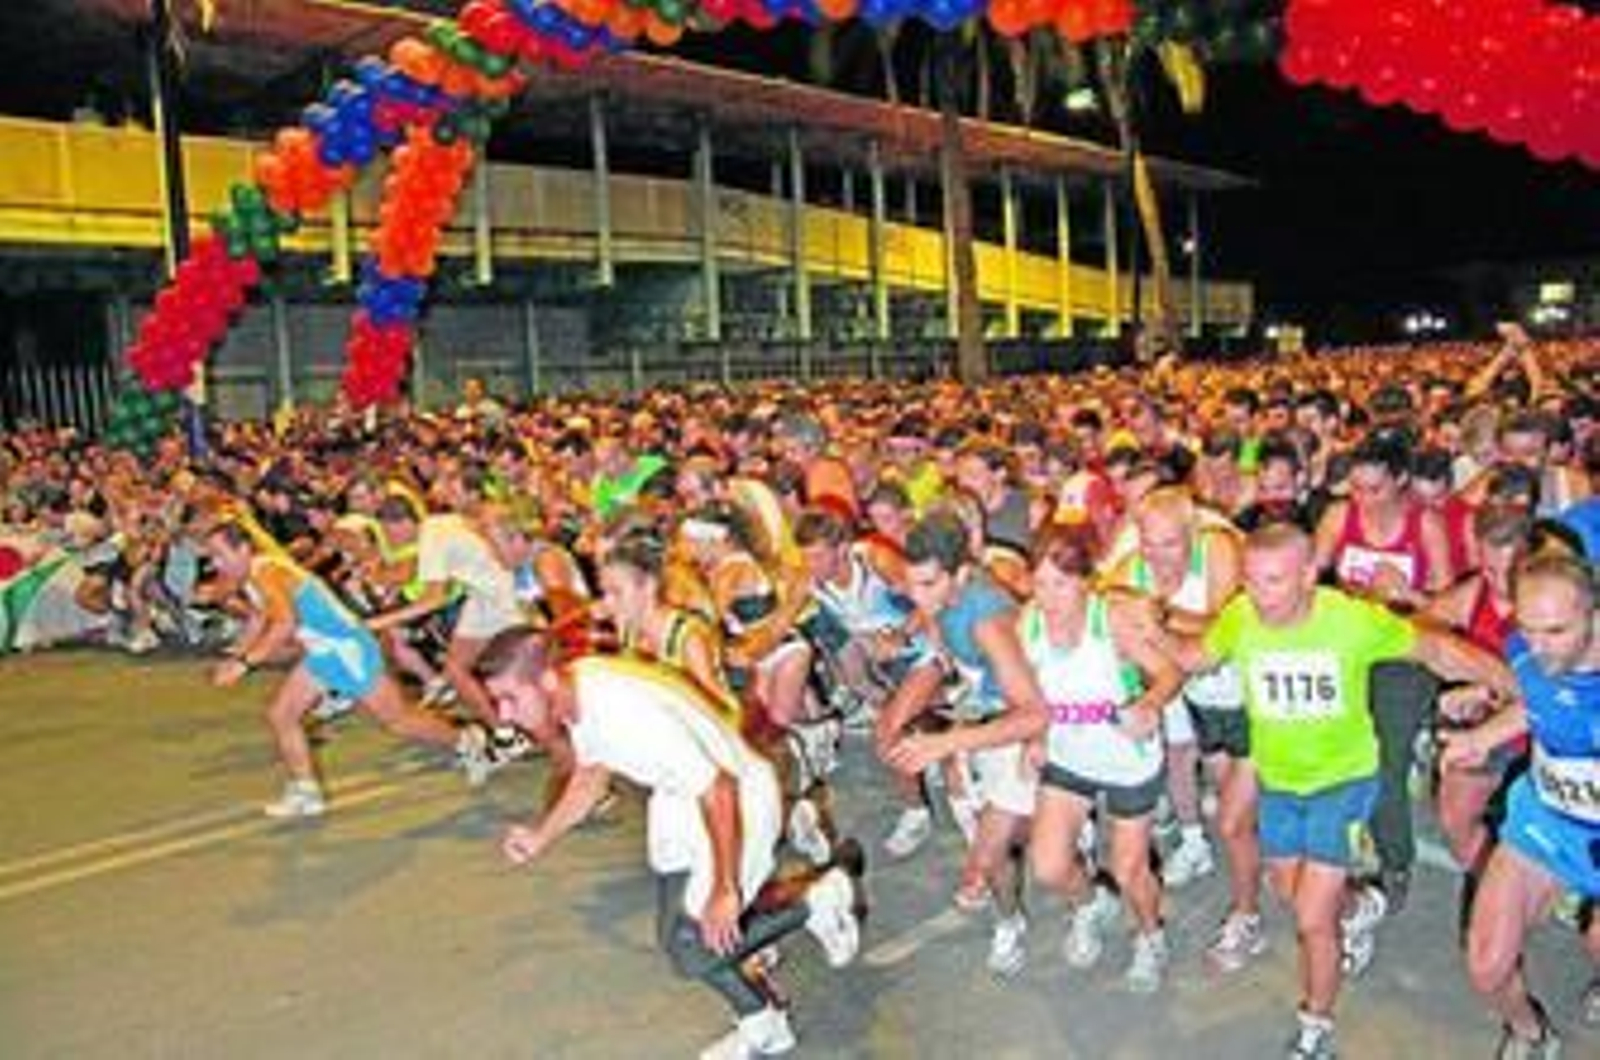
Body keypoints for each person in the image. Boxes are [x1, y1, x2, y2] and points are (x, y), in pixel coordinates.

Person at [1169, 524, 1519, 1060]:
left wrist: (1522, 688)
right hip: (1280, 784)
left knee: (1312, 922)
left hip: (1344, 784)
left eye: (1274, 582)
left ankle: (1315, 1027)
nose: (1260, 595)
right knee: (1292, 894)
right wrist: (1141, 624)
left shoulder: (1350, 620)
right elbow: (1196, 655)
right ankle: (1362, 904)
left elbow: (1438, 648)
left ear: (1309, 575)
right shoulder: (1241, 616)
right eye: (1251, 581)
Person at [478, 629, 865, 1059]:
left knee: (696, 946)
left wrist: (725, 886)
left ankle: (818, 903)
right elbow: (591, 774)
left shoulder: (621, 711)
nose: (503, 714)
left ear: (546, 681)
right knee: (681, 934)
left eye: (510, 698)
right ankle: (766, 1002)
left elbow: (718, 790)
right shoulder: (578, 688)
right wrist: (541, 835)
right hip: (682, 800)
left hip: (737, 799)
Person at [204, 520, 490, 817]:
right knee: (281, 714)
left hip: (346, 649)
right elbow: (261, 620)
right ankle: (306, 792)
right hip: (324, 651)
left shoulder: (268, 573)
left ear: (243, 549)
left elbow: (284, 623)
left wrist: (244, 663)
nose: (215, 563)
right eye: (211, 556)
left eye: (219, 554)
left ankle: (468, 741)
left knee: (399, 721)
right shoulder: (256, 573)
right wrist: (237, 653)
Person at [882, 510, 1050, 979]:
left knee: (988, 856)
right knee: (985, 847)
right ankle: (1011, 913)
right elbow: (966, 675)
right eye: (911, 584)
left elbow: (1035, 711)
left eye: (929, 584)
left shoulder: (987, 621)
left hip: (1026, 728)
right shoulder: (939, 599)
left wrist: (948, 743)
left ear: (961, 574)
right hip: (981, 718)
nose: (918, 596)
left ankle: (1050, 893)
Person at [1448, 553, 1600, 1059]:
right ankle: (1531, 1033)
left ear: (1594, 616)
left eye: (1555, 630)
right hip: (1547, 824)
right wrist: (1486, 734)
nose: (1538, 646)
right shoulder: (1524, 654)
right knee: (1486, 966)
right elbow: (1536, 700)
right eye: (1528, 627)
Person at [1023, 526, 1181, 990]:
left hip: (1127, 759)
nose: (1049, 596)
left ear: (1085, 582)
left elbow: (1169, 672)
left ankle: (1151, 935)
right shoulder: (1026, 623)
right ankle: (1091, 903)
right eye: (1040, 583)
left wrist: (1149, 704)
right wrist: (1030, 737)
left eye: (1061, 583)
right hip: (1069, 754)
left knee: (1130, 869)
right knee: (1049, 866)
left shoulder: (1111, 621)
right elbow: (1026, 691)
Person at [1313, 430, 1455, 910]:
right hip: (1346, 651)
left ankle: (1395, 862)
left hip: (1403, 655)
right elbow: (1307, 576)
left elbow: (1448, 611)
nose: (1364, 500)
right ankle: (1340, 846)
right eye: (1356, 488)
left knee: (1383, 764)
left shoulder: (1426, 524)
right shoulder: (1340, 515)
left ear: (1401, 481)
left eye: (1375, 489)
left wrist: (1407, 594)